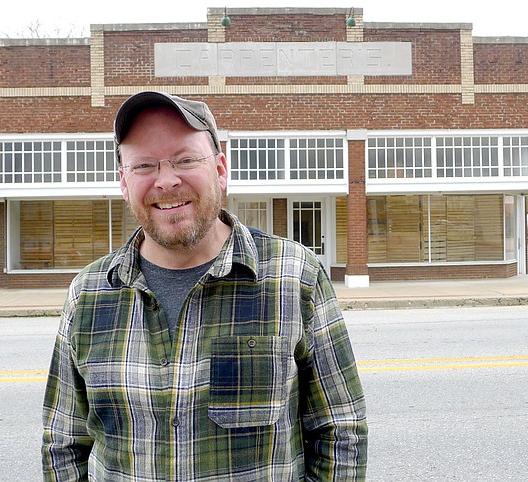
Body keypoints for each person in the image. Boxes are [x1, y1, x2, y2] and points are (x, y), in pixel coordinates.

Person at [42, 91, 368, 481]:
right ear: (124, 183)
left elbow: (340, 429)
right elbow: (63, 444)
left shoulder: (295, 277)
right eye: (144, 165)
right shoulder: (88, 294)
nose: (166, 180)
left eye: (185, 159)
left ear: (220, 169)